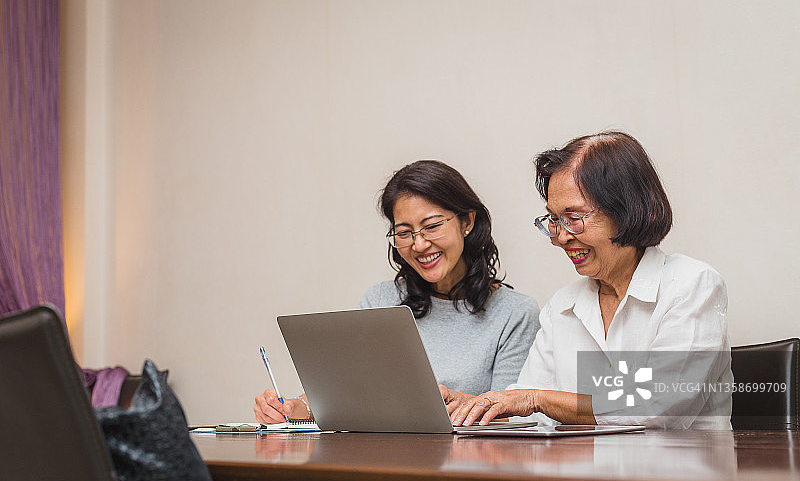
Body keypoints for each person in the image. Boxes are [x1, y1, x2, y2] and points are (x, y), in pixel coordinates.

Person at [445, 131, 733, 430]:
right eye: (554, 219)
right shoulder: (563, 305)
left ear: (628, 210)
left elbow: (659, 406)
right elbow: (530, 411)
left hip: (678, 462)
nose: (561, 237)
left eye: (574, 217)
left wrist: (535, 399)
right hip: (585, 462)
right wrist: (473, 405)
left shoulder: (691, 285)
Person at [255, 160, 540, 424]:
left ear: (467, 222)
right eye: (404, 233)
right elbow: (346, 390)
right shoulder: (381, 300)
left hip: (467, 459)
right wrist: (292, 408)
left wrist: (459, 404)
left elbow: (512, 418)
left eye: (431, 227)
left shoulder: (514, 313)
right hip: (383, 455)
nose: (419, 245)